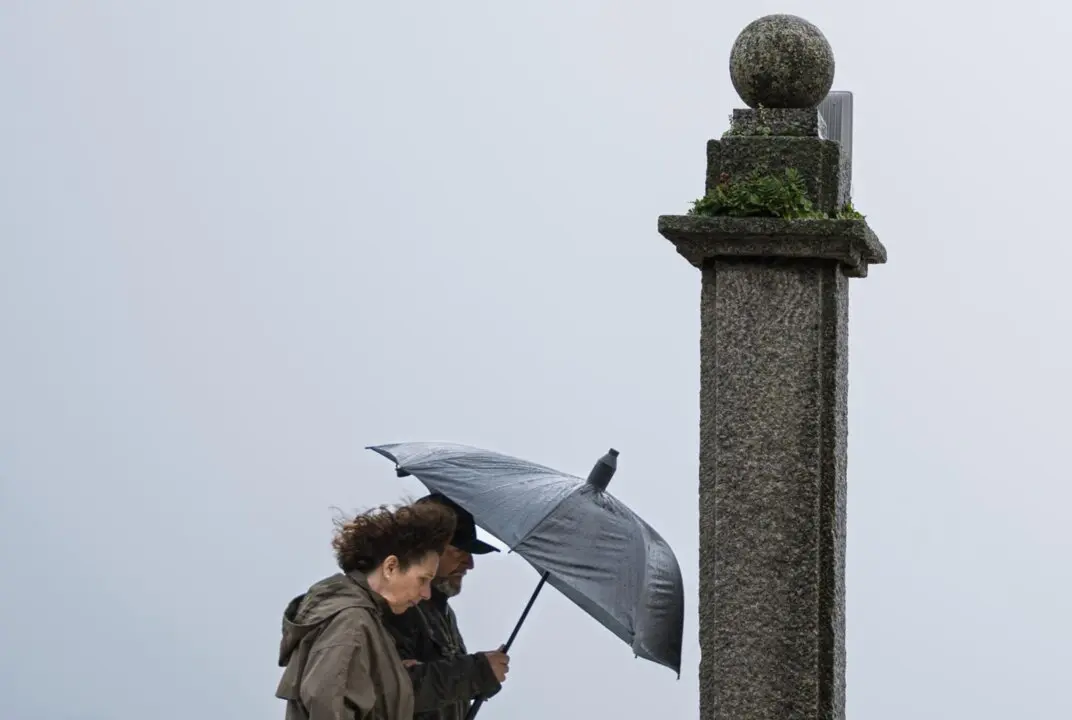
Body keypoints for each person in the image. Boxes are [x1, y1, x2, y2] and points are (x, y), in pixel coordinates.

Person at [276, 501, 457, 720]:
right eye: (423, 579)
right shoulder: (351, 623)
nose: (426, 593)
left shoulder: (363, 620)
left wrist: (390, 674)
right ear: (391, 567)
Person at [384, 493, 510, 720]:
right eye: (459, 551)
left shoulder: (443, 612)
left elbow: (435, 686)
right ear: (426, 550)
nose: (470, 563)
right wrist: (478, 672)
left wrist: (482, 678)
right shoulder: (395, 604)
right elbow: (393, 690)